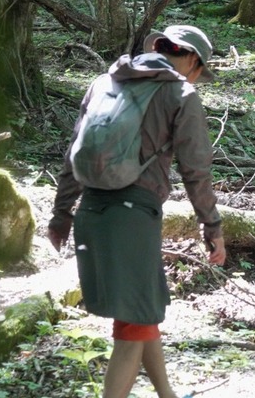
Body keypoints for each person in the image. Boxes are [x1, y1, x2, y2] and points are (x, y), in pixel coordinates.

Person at [48, 25, 226, 398]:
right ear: (193, 60)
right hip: (132, 218)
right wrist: (212, 225)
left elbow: (72, 152)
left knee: (142, 314)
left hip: (91, 212)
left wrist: (62, 212)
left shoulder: (104, 82)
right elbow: (196, 170)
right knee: (133, 328)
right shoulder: (180, 92)